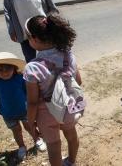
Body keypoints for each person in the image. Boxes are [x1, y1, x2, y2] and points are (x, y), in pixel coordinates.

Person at [24, 14, 81, 166]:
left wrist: (30, 123)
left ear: (35, 39)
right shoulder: (68, 55)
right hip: (68, 108)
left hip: (46, 115)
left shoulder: (32, 68)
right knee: (71, 135)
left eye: (28, 37)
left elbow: (32, 102)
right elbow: (79, 81)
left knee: (54, 147)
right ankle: (71, 161)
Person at [0, 52, 46, 161]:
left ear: (14, 68)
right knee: (16, 131)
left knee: (29, 127)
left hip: (25, 111)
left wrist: (36, 104)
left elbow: (29, 92)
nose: (4, 73)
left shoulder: (20, 79)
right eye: (0, 70)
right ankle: (21, 147)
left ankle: (37, 139)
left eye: (7, 69)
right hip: (8, 114)